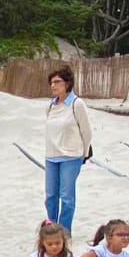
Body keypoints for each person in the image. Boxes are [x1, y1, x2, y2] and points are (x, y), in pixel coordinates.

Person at [42, 65, 94, 234]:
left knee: (67, 197)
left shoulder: (76, 104)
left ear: (67, 83)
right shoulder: (51, 105)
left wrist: (84, 153)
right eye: (51, 82)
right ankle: (52, 228)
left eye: (57, 82)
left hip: (71, 156)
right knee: (50, 196)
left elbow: (86, 131)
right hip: (51, 156)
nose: (53, 85)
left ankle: (64, 231)